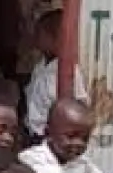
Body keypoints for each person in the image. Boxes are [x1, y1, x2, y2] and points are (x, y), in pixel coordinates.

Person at [25, 8, 87, 143]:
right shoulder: (40, 66)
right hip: (34, 131)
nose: (35, 38)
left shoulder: (67, 69)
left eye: (40, 35)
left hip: (50, 136)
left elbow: (79, 101)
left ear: (56, 39)